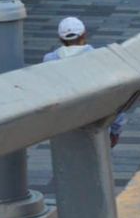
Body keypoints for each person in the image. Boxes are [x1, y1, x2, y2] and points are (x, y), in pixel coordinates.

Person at [44, 18, 128, 146]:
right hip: (96, 124)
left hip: (63, 126)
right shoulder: (100, 58)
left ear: (61, 38)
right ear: (84, 34)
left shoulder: (49, 60)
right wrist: (116, 129)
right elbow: (113, 97)